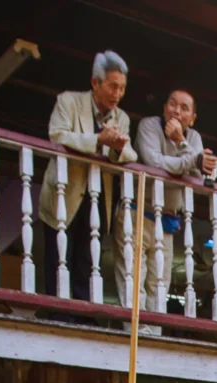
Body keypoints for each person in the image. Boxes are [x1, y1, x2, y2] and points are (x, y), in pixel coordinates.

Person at [39, 51, 137, 305]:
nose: (117, 94)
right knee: (59, 257)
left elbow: (129, 153)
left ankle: (84, 315)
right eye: (113, 86)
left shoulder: (121, 118)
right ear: (95, 83)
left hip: (97, 198)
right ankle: (58, 312)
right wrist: (97, 140)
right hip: (64, 193)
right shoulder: (68, 102)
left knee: (87, 260)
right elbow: (57, 135)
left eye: (122, 88)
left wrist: (116, 147)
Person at [114, 88, 217, 322]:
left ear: (192, 118)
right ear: (164, 108)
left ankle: (153, 337)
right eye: (172, 104)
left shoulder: (192, 138)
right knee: (133, 281)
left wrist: (181, 141)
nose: (177, 111)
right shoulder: (149, 126)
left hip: (166, 222)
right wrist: (192, 160)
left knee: (159, 285)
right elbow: (155, 162)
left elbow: (202, 176)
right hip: (137, 213)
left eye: (184, 108)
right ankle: (133, 338)